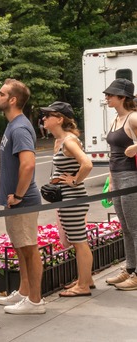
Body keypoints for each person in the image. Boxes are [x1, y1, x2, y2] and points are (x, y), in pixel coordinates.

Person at [0, 79, 45, 314]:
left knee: (29, 249)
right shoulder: (13, 124)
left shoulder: (20, 127)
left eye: (1, 93)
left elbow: (28, 165)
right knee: (20, 248)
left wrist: (19, 195)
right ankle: (25, 292)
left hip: (23, 200)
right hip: (15, 201)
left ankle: (35, 301)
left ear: (12, 100)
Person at [40, 101, 94, 296]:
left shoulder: (68, 141)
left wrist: (74, 181)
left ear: (60, 119)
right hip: (69, 198)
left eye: (48, 115)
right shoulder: (61, 140)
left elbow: (87, 164)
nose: (44, 118)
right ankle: (85, 279)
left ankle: (84, 286)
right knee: (78, 240)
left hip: (73, 197)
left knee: (79, 242)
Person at [102, 78, 137, 290]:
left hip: (131, 177)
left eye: (111, 95)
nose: (107, 97)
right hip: (117, 177)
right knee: (125, 227)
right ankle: (130, 267)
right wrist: (110, 179)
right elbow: (112, 154)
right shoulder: (116, 119)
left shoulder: (133, 118)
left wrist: (136, 148)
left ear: (122, 97)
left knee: (135, 227)